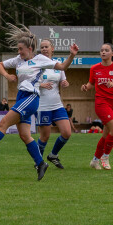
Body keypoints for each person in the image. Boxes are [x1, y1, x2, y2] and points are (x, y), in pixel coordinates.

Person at [0, 24, 79, 181]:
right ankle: (40, 163)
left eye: (21, 49)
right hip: (21, 97)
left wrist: (71, 55)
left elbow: (62, 66)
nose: (18, 52)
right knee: (25, 136)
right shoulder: (19, 60)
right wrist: (7, 75)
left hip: (31, 97)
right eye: (18, 49)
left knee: (3, 123)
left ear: (30, 49)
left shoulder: (40, 60)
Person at [81, 43, 113, 170]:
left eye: (106, 50)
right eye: (101, 50)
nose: (103, 52)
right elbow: (91, 84)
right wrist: (86, 87)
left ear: (112, 53)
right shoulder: (95, 68)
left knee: (106, 134)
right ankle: (105, 156)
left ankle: (95, 160)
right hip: (101, 102)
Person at [35, 39, 73, 169]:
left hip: (57, 105)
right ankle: (38, 162)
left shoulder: (58, 66)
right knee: (45, 136)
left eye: (46, 47)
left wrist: (65, 83)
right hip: (43, 106)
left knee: (67, 133)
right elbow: (28, 83)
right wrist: (40, 84)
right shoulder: (37, 66)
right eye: (42, 47)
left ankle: (53, 155)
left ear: (52, 48)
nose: (44, 49)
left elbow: (63, 81)